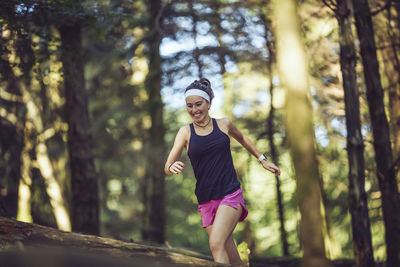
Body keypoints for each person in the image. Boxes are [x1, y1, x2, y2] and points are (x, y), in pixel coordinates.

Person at [164, 78, 280, 266]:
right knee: (232, 257)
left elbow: (243, 138)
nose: (194, 110)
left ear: (208, 103)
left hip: (230, 194)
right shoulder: (185, 132)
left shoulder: (224, 124)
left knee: (215, 244)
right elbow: (167, 165)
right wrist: (171, 167)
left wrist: (262, 159)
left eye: (199, 104)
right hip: (206, 200)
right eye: (189, 106)